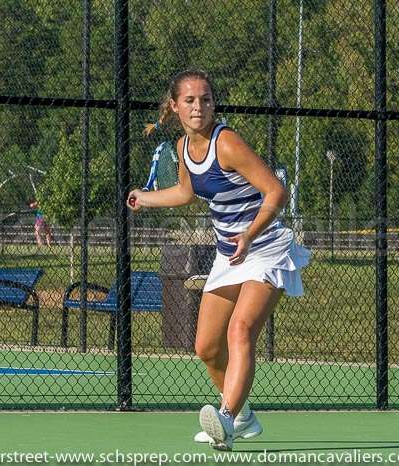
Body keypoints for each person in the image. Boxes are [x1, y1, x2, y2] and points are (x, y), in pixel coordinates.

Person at [127, 70, 310, 451]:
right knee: (207, 347)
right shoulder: (182, 148)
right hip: (230, 254)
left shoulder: (226, 143)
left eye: (206, 99)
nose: (199, 107)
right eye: (191, 101)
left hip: (266, 246)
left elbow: (275, 191)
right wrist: (145, 198)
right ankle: (243, 418)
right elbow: (185, 191)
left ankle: (225, 418)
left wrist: (249, 233)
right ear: (175, 106)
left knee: (240, 330)